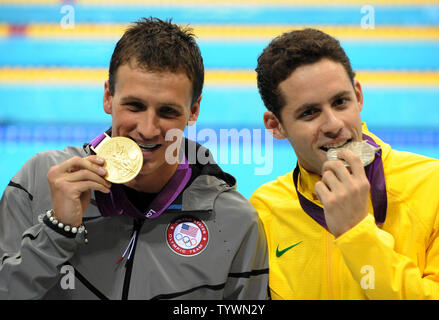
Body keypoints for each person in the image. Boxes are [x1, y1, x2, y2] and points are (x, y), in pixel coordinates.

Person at [0, 17, 268, 300]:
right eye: (134, 106)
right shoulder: (38, 182)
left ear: (194, 110)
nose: (148, 129)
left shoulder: (235, 223)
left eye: (167, 112)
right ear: (108, 96)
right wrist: (57, 232)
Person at [250, 28, 439, 299]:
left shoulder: (432, 187)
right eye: (309, 112)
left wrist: (357, 233)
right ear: (275, 125)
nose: (334, 125)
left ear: (358, 96)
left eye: (340, 102)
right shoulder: (265, 210)